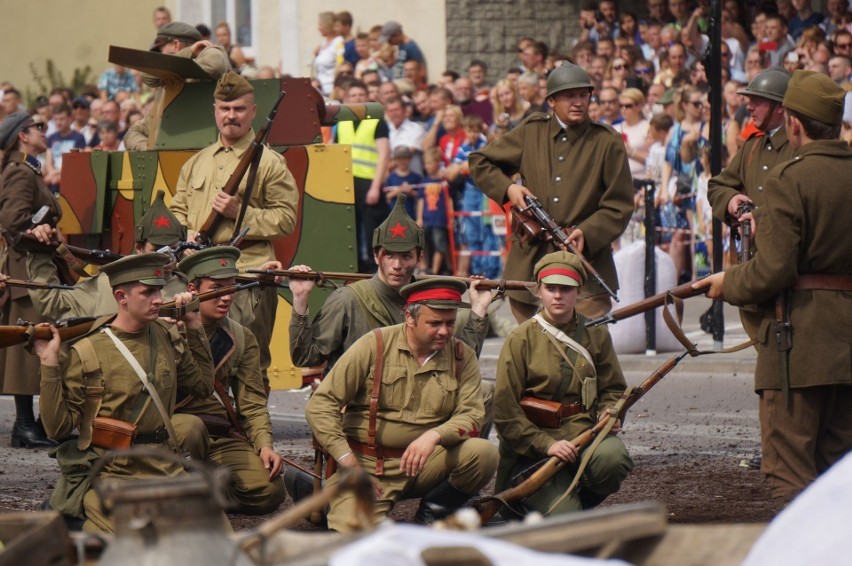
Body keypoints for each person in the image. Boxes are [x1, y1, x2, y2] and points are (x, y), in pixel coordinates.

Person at [695, 70, 852, 510]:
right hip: (846, 347)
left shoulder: (790, 178)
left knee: (789, 474)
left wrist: (729, 283)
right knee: (839, 471)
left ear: (795, 123)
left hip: (797, 343)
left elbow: (773, 271)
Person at [32, 253, 214, 533]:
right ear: (121, 296)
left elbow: (203, 387)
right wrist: (49, 363)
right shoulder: (88, 350)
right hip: (113, 471)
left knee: (212, 538)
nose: (159, 298)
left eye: (159, 289)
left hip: (166, 465)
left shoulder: (166, 335)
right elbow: (57, 429)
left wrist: (193, 324)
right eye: (148, 291)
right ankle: (74, 518)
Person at [305, 277, 498, 533]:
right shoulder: (374, 345)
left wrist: (434, 435)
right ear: (409, 317)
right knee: (354, 541)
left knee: (483, 453)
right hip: (368, 466)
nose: (444, 331)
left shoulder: (462, 355)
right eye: (434, 323)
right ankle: (331, 497)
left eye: (450, 323)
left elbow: (471, 415)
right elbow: (321, 404)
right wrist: (347, 460)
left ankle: (434, 510)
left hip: (425, 465)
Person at [469, 62, 634, 322]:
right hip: (531, 261)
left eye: (584, 94)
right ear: (552, 101)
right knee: (534, 347)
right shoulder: (531, 131)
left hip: (583, 263)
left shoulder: (607, 140)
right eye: (570, 95)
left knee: (577, 345)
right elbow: (480, 162)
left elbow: (619, 205)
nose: (578, 102)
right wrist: (509, 188)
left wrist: (587, 233)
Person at [171, 71, 299, 385]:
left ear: (253, 111)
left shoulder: (268, 163)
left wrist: (238, 211)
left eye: (239, 109)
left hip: (245, 276)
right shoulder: (197, 163)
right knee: (197, 356)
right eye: (225, 109)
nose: (231, 116)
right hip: (199, 276)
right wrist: (184, 235)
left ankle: (251, 426)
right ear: (215, 111)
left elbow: (286, 218)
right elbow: (177, 210)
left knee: (249, 358)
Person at [494, 251, 632, 517]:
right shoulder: (520, 338)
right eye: (551, 288)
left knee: (614, 460)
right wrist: (545, 444)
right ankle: (541, 502)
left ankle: (575, 497)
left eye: (566, 289)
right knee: (565, 517)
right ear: (539, 291)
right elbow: (505, 411)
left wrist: (611, 412)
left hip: (583, 433)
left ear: (578, 292)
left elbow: (613, 388)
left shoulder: (596, 333)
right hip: (533, 446)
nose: (558, 295)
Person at [175, 246, 287, 514]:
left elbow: (252, 403)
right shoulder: (168, 327)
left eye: (231, 288)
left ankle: (199, 489)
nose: (226, 297)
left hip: (219, 433)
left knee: (269, 492)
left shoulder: (241, 337)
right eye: (216, 288)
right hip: (173, 431)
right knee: (191, 428)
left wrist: (264, 445)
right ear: (193, 288)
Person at [25, 190, 189, 322]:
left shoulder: (189, 288)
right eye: (159, 250)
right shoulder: (108, 284)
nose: (168, 259)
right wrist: (40, 252)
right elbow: (53, 305)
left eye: (173, 249)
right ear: (139, 248)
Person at [0, 112, 63, 449]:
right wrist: (37, 233)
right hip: (27, 270)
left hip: (33, 268)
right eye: (39, 127)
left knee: (34, 341)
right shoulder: (21, 173)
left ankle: (32, 425)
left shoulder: (26, 170)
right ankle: (25, 426)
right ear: (23, 135)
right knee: (30, 344)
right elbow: (12, 224)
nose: (44, 130)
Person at [124, 21, 230, 151]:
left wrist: (190, 52)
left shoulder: (211, 51)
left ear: (175, 44)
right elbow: (133, 133)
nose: (159, 58)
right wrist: (148, 149)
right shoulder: (171, 88)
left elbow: (215, 64)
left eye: (160, 51)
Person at [335, 79, 391, 273]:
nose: (357, 98)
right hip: (347, 183)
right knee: (351, 229)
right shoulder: (341, 123)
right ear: (347, 98)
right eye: (354, 95)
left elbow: (384, 155)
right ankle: (357, 269)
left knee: (372, 230)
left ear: (367, 97)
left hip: (369, 183)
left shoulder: (376, 121)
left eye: (361, 95)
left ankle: (377, 270)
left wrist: (376, 187)